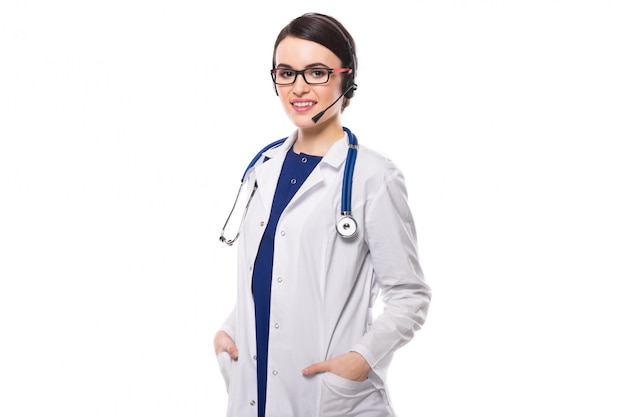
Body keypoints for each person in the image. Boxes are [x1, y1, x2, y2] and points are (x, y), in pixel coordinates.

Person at [214, 12, 431, 417]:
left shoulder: (372, 177)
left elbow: (409, 296)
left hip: (328, 397)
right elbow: (275, 271)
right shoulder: (264, 166)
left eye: (316, 72)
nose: (298, 87)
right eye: (286, 72)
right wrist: (230, 328)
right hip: (252, 390)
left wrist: (360, 359)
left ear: (346, 80)